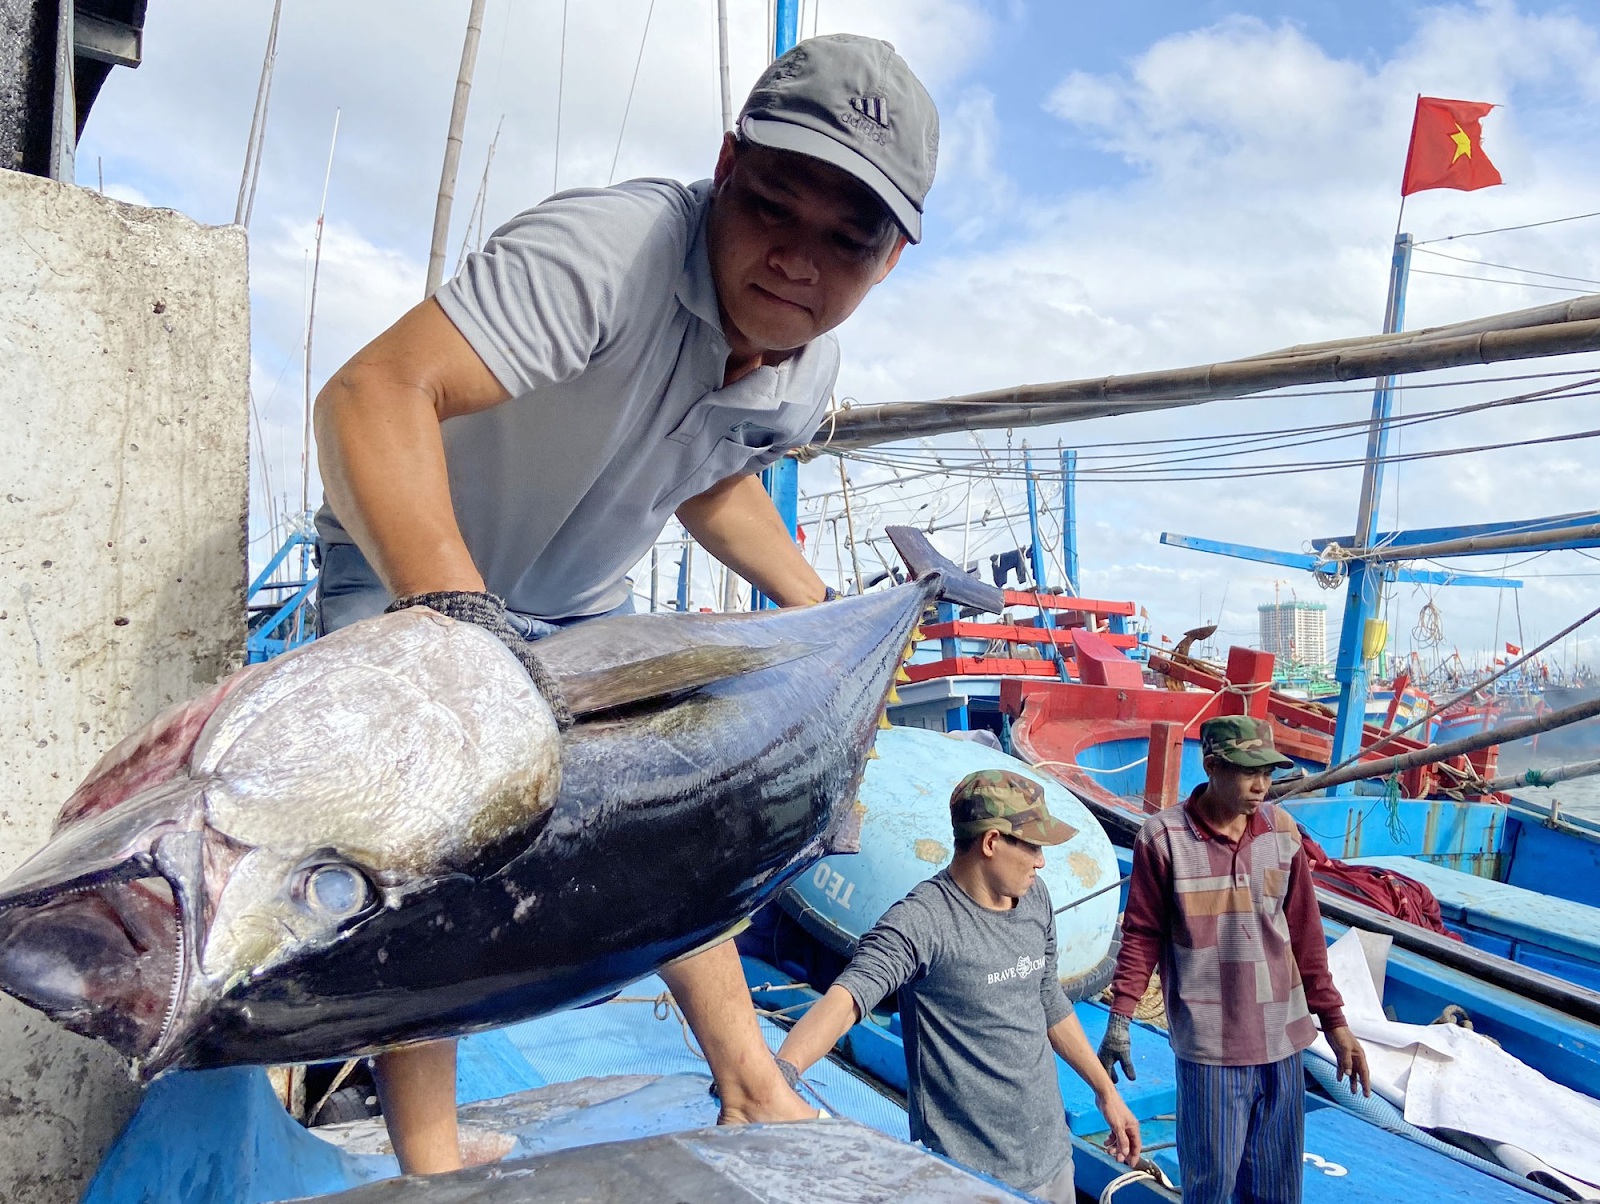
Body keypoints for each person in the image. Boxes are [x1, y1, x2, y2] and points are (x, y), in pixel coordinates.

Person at [311, 33, 938, 1174]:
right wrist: (453, 617)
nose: (794, 260)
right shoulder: (607, 250)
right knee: (432, 829)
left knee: (686, 809)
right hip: (412, 558)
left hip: (579, 596)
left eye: (845, 241)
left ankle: (753, 1085)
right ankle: (430, 1156)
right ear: (725, 165)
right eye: (772, 206)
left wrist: (827, 613)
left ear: (889, 258)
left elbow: (711, 477)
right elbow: (371, 393)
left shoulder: (807, 368)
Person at [776, 770, 1141, 1203]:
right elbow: (849, 998)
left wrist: (1106, 1092)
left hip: (1052, 1159)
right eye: (1032, 846)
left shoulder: (1036, 898)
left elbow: (1048, 998)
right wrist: (780, 1074)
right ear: (991, 842)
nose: (1041, 861)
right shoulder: (923, 921)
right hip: (966, 1179)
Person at [1097, 716, 1372, 1204]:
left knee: (1277, 1189)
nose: (1261, 786)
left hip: (1283, 1041)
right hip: (1210, 1049)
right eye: (1248, 772)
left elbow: (1306, 935)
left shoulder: (1282, 831)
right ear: (1211, 767)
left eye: (1267, 772)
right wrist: (1120, 1019)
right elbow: (1141, 935)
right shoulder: (1163, 839)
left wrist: (1335, 1023)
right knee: (1212, 1187)